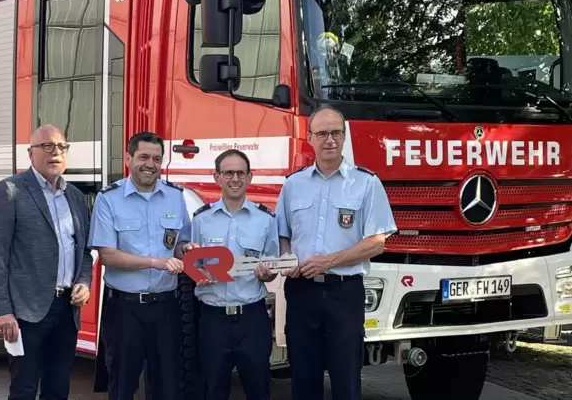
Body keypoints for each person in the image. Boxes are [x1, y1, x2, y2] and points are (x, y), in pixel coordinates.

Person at [276, 106, 397, 400]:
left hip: (345, 293)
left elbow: (377, 242)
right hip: (302, 292)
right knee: (303, 378)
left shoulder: (367, 183)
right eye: (322, 134)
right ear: (310, 138)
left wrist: (329, 262)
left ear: (344, 137)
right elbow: (283, 235)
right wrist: (287, 258)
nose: (329, 140)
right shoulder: (293, 184)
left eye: (336, 133)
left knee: (346, 380)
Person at [0, 125, 94, 400]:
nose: (55, 152)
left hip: (66, 310)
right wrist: (4, 311)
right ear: (30, 154)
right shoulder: (10, 191)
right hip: (26, 312)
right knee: (24, 388)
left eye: (61, 147)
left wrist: (84, 281)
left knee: (58, 389)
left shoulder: (76, 198)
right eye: (47, 146)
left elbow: (85, 252)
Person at [88, 131, 192, 400]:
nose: (150, 164)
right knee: (122, 385)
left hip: (166, 307)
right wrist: (157, 262)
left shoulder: (175, 196)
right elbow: (108, 255)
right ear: (128, 158)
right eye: (143, 157)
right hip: (125, 309)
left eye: (156, 158)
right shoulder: (108, 199)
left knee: (168, 386)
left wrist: (186, 250)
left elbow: (181, 243)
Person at [183, 149, 279, 400]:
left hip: (252, 318)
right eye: (228, 173)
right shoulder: (201, 221)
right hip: (213, 320)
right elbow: (193, 264)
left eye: (240, 173)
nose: (234, 178)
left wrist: (266, 274)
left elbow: (272, 269)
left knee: (259, 389)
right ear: (217, 177)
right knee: (212, 391)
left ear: (249, 177)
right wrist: (199, 273)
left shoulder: (266, 220)